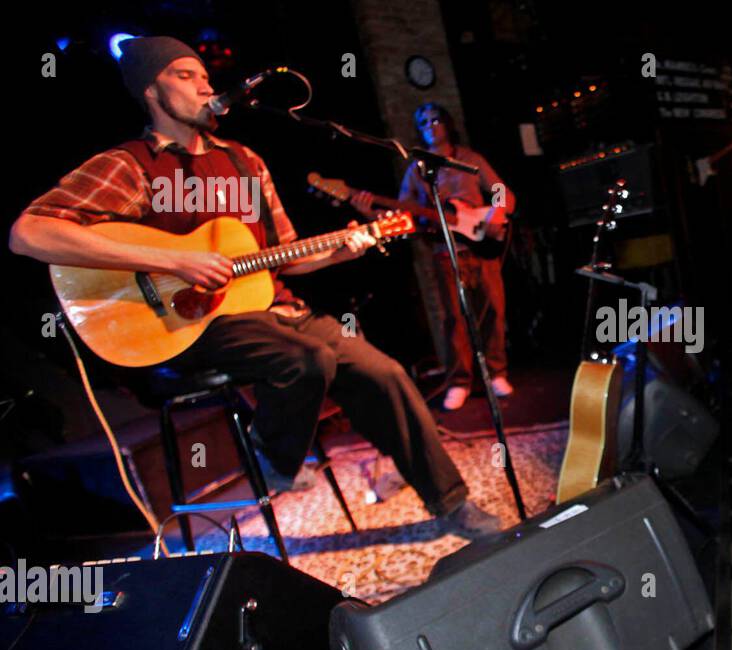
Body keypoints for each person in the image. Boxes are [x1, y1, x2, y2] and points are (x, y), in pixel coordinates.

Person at [8, 37, 500, 538]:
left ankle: (451, 504)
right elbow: (28, 233)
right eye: (184, 75)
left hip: (273, 311)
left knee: (384, 373)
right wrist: (171, 258)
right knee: (307, 360)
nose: (204, 84)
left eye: (204, 74)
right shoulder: (130, 165)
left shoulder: (246, 162)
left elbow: (285, 257)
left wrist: (344, 247)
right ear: (151, 91)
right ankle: (274, 458)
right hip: (192, 327)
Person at [351, 103, 516, 411]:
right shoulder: (418, 170)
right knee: (455, 319)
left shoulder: (471, 159)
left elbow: (502, 193)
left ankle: (498, 373)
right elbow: (403, 210)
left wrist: (496, 216)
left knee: (493, 310)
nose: (431, 125)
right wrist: (371, 208)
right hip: (445, 251)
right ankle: (459, 381)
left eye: (436, 119)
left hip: (481, 248)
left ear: (448, 124)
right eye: (424, 122)